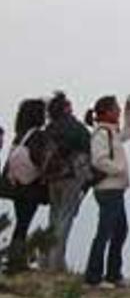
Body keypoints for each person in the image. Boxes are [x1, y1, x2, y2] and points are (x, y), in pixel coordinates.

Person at [84, 96, 130, 288]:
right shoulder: (101, 134)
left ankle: (113, 274)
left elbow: (129, 133)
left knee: (119, 230)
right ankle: (94, 276)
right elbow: (99, 160)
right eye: (116, 109)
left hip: (115, 188)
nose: (119, 112)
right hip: (108, 188)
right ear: (106, 112)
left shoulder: (111, 132)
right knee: (105, 231)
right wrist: (119, 169)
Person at [42, 92, 92, 273]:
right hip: (72, 175)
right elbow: (89, 147)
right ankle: (56, 261)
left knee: (54, 217)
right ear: (66, 108)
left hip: (52, 177)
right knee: (66, 218)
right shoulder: (75, 127)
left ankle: (45, 259)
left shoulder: (50, 129)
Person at [2, 99, 50, 273]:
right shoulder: (37, 135)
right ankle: (16, 260)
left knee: (21, 221)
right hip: (30, 186)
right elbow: (39, 159)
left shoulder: (20, 134)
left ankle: (15, 258)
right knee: (24, 222)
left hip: (16, 184)